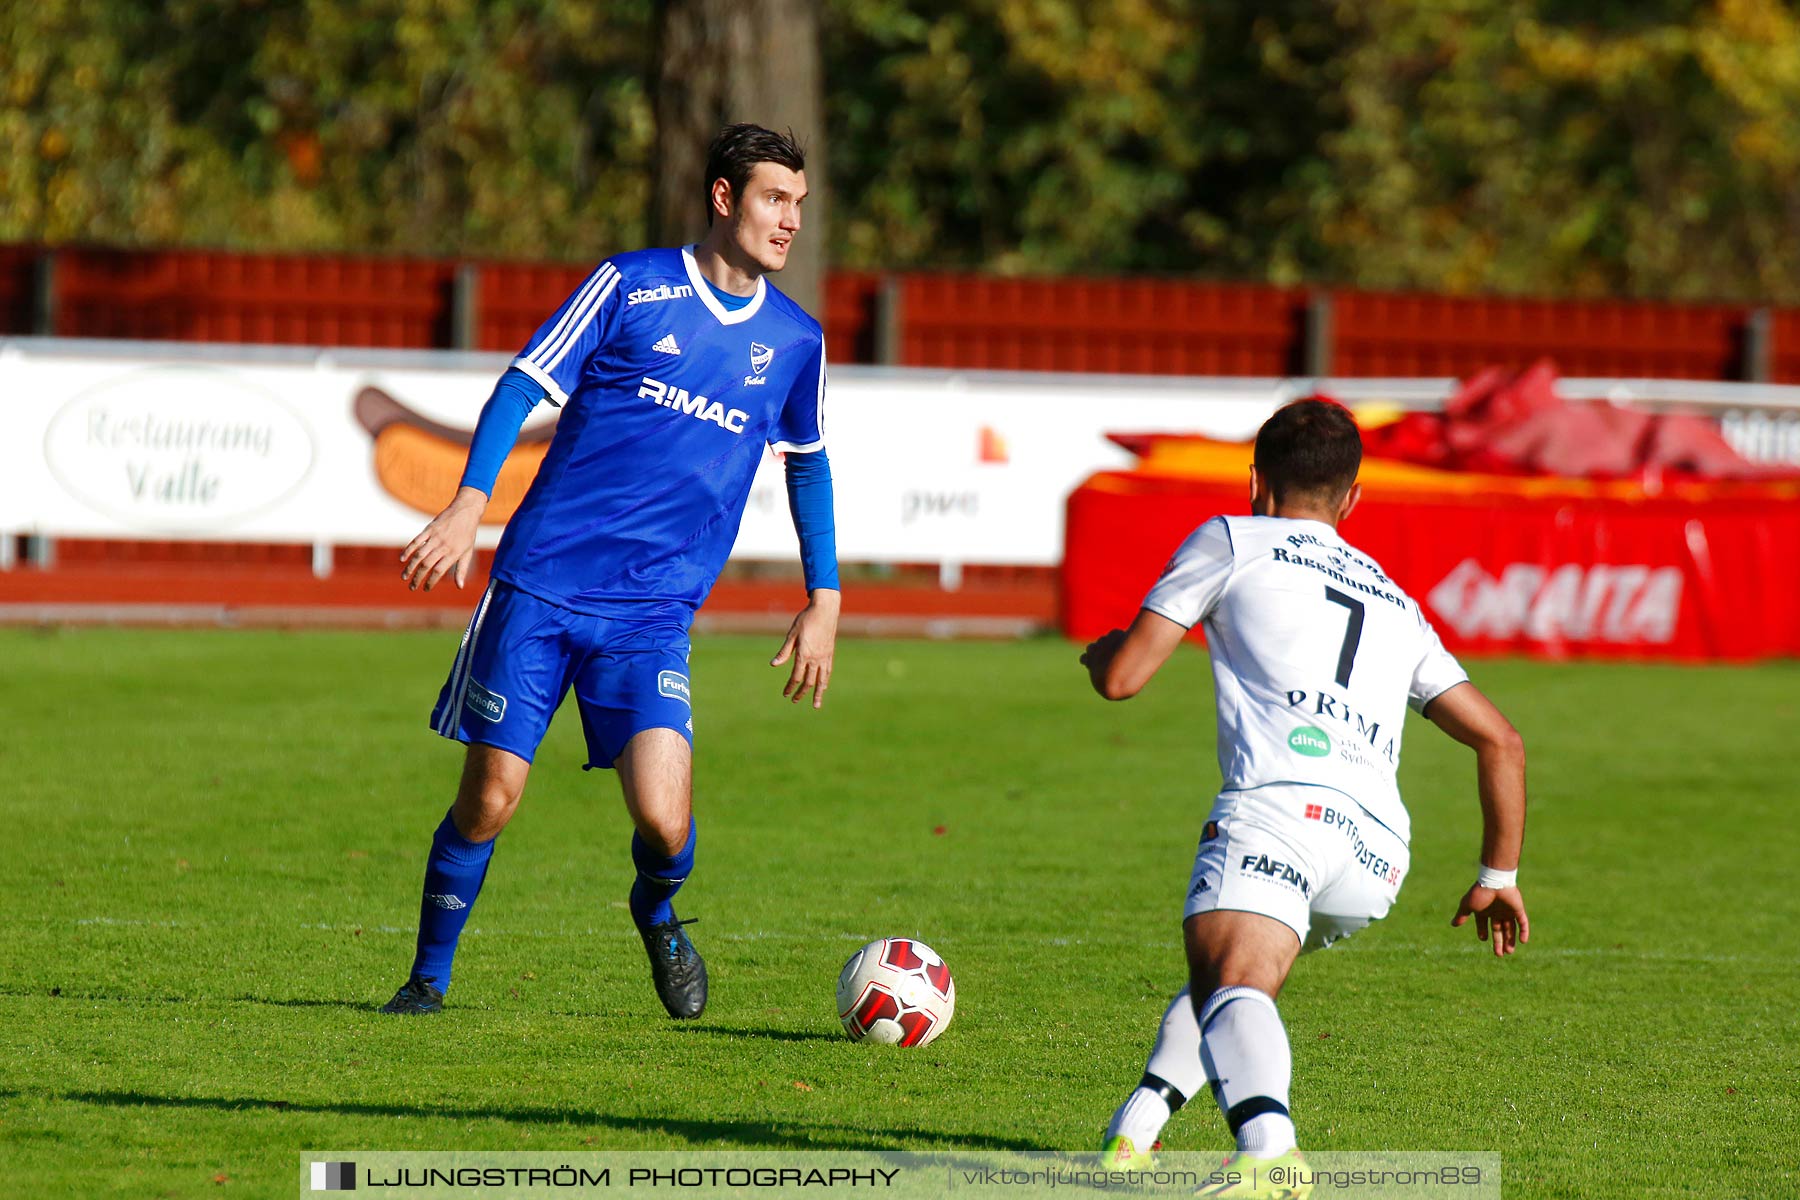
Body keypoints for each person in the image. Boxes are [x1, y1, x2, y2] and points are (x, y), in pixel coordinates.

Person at [380, 124, 840, 1021]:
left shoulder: (795, 342)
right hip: (541, 590)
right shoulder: (632, 286)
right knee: (492, 798)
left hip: (651, 616)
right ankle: (426, 982)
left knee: (666, 823)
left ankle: (657, 909)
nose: (790, 222)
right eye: (774, 199)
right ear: (723, 197)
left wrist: (824, 597)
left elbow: (808, 461)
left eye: (798, 205)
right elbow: (522, 385)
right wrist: (472, 501)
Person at [1079, 399, 1528, 1197]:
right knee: (1230, 981)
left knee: (1236, 981)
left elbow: (1124, 679)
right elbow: (1502, 741)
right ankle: (1132, 1136)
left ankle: (1269, 1154)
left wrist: (1105, 655)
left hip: (1280, 809)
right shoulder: (1394, 597)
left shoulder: (1229, 537)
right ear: (1353, 498)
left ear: (1254, 479)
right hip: (1375, 856)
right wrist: (1499, 875)